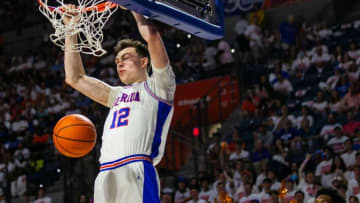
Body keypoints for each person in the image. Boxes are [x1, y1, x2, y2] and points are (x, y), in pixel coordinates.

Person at [63, 5, 176, 202]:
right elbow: (75, 78)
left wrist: (135, 7)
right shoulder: (115, 95)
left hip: (136, 166)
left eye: (125, 58)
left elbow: (152, 35)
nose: (119, 63)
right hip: (105, 172)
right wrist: (71, 30)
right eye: (116, 61)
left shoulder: (159, 87)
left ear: (143, 62)